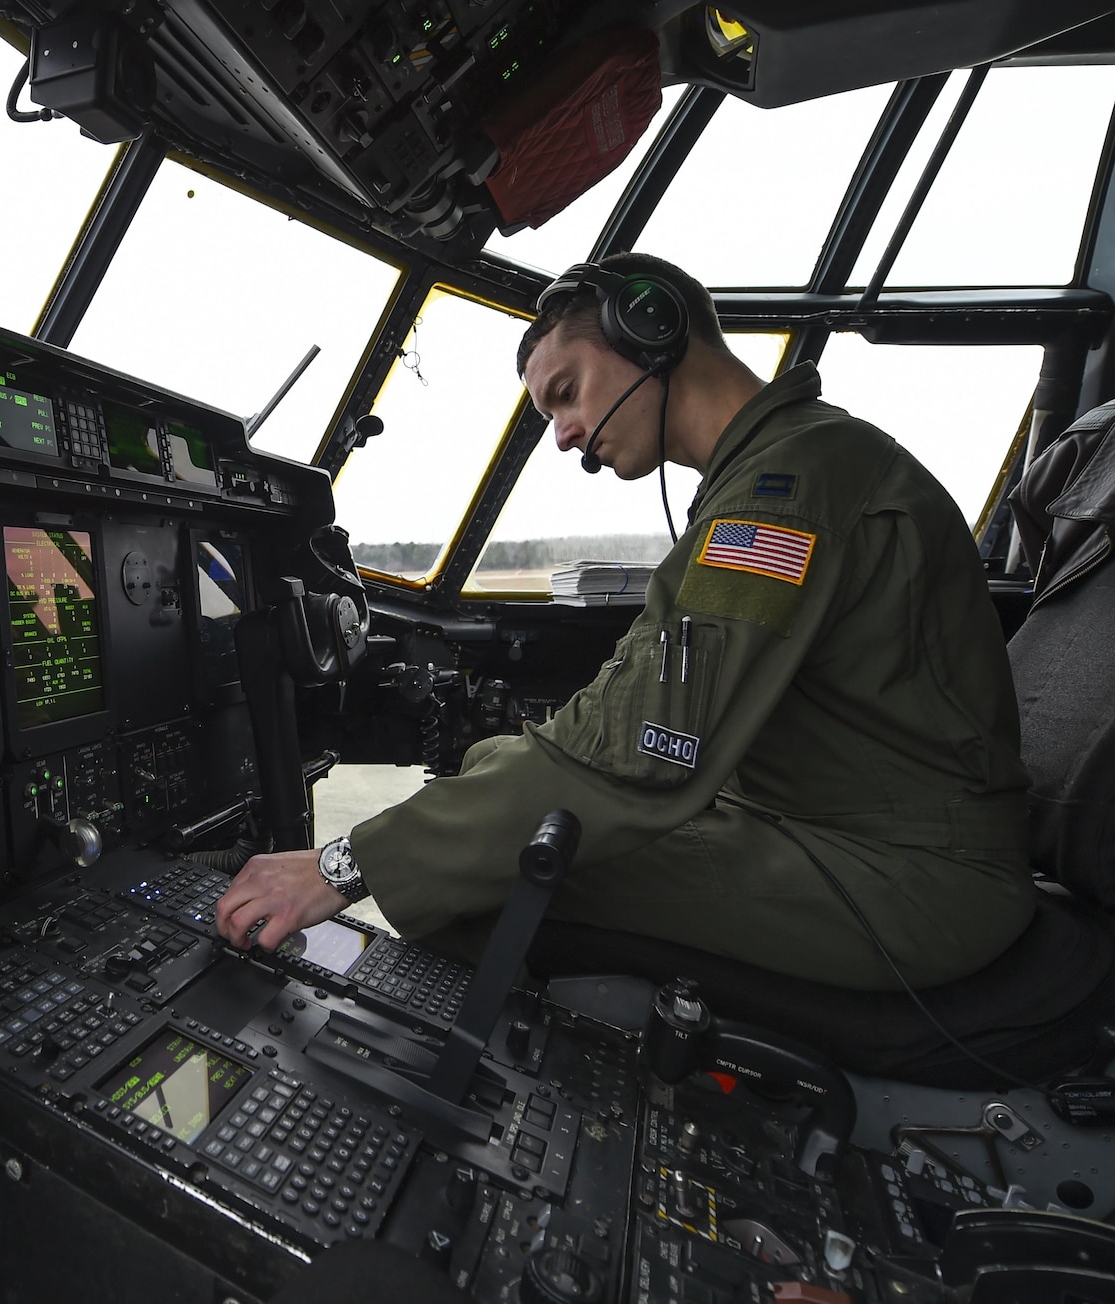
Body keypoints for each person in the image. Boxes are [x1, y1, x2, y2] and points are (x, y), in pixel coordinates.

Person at [214, 254, 1036, 990]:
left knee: (481, 885)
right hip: (829, 823)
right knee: (491, 765)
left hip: (912, 878)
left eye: (566, 393)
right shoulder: (780, 465)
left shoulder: (786, 489)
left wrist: (343, 866)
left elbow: (644, 747)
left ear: (650, 328)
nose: (566, 435)